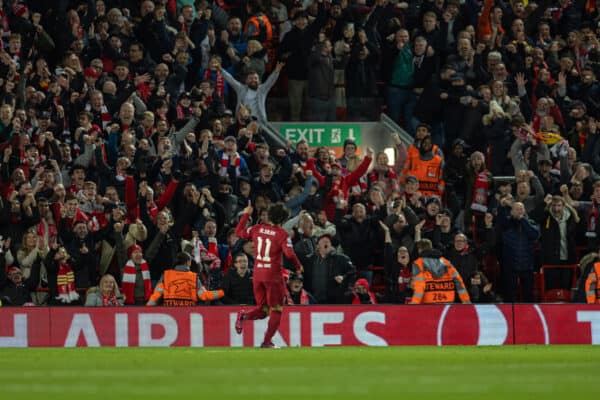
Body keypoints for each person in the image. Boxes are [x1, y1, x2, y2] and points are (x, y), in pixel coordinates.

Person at [234, 201, 303, 348]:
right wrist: (298, 265)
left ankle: (244, 316)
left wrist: (246, 214)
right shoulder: (282, 234)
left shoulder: (257, 228)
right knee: (277, 310)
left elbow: (238, 233)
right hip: (273, 276)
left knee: (264, 310)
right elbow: (290, 254)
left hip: (257, 274)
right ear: (284, 220)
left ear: (270, 216)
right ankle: (266, 342)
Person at [146, 252, 224, 306]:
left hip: (170, 312)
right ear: (188, 262)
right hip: (188, 314)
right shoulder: (194, 277)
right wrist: (222, 292)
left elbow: (156, 296)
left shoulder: (166, 275)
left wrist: (146, 309)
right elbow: (204, 295)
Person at [219, 62, 284, 125]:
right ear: (246, 81)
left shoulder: (262, 90)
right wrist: (220, 69)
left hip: (259, 122)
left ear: (259, 80)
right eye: (251, 78)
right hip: (243, 121)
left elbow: (270, 81)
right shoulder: (241, 89)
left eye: (255, 78)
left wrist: (276, 72)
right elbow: (231, 80)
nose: (253, 80)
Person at [409, 239, 471, 304]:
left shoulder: (418, 263)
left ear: (419, 249)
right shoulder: (446, 262)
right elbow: (458, 281)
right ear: (431, 248)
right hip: (447, 301)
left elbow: (420, 285)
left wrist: (414, 303)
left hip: (428, 303)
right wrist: (466, 300)